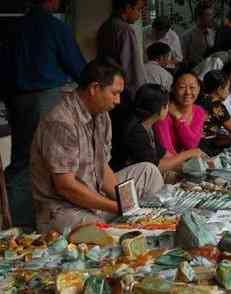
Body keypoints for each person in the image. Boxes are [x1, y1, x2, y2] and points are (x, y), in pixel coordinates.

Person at [31, 59, 164, 233]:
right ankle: (125, 228)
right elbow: (66, 187)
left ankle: (144, 221)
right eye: (114, 93)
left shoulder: (101, 115)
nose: (118, 100)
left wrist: (128, 203)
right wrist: (117, 207)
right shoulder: (61, 122)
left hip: (94, 195)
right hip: (63, 210)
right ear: (94, 88)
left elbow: (103, 167)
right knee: (109, 234)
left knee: (149, 171)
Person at [7, 0, 86, 229]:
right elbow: (79, 68)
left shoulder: (14, 27)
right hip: (45, 98)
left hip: (17, 99)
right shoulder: (55, 27)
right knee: (53, 163)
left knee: (22, 160)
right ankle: (41, 224)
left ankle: (18, 226)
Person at [110, 84, 205, 172]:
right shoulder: (136, 131)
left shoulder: (148, 126)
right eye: (167, 105)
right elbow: (156, 166)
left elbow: (164, 154)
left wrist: (188, 161)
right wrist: (188, 154)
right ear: (161, 108)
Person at [97, 0, 146, 101]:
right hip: (124, 91)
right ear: (128, 8)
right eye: (139, 9)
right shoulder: (125, 30)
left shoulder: (105, 26)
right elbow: (132, 69)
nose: (139, 14)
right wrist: (141, 95)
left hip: (107, 86)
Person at [198, 70, 231, 156]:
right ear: (219, 89)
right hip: (206, 147)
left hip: (197, 143)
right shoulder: (217, 106)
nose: (228, 91)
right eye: (227, 87)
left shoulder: (200, 100)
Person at [153, 70, 206, 154]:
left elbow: (192, 144)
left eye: (192, 87)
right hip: (168, 163)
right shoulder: (163, 113)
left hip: (185, 161)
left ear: (198, 89)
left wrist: (178, 117)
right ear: (173, 89)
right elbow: (167, 151)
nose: (188, 92)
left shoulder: (199, 111)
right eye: (182, 87)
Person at [181, 3, 216, 67]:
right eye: (208, 15)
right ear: (199, 17)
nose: (211, 18)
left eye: (211, 15)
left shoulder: (214, 34)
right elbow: (183, 59)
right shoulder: (188, 35)